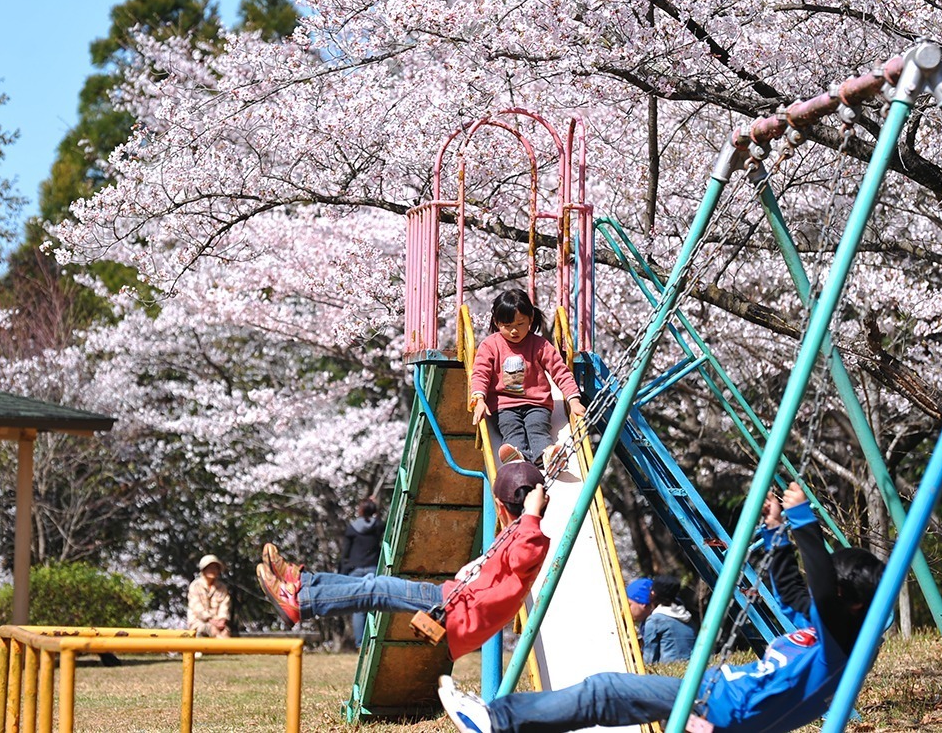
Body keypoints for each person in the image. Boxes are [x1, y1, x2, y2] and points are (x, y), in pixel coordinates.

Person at [438, 481, 885, 733]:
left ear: (854, 603)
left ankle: (496, 721)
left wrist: (805, 520)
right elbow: (794, 592)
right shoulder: (829, 629)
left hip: (723, 706)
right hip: (718, 699)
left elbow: (822, 591)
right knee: (610, 703)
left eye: (833, 593)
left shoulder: (841, 646)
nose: (820, 593)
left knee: (605, 691)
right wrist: (775, 532)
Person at [257, 461, 550, 661]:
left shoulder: (530, 537)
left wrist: (532, 515)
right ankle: (303, 584)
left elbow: (525, 553)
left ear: (499, 505)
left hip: (454, 608)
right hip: (453, 600)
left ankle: (302, 601)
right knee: (371, 585)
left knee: (375, 589)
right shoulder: (518, 531)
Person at [469, 289, 587, 467]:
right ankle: (518, 456)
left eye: (520, 324)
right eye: (507, 326)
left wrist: (574, 400)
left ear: (531, 319)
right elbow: (481, 372)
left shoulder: (540, 345)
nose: (514, 331)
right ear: (496, 323)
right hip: (503, 406)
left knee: (537, 428)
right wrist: (479, 397)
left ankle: (546, 455)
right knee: (512, 429)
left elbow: (560, 371)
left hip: (536, 403)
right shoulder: (490, 345)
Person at [341, 497, 385, 648]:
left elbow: (345, 553)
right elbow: (381, 523)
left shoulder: (352, 528)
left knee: (359, 609)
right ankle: (374, 641)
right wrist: (375, 508)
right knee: (375, 607)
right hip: (373, 568)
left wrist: (342, 571)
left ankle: (360, 644)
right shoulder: (377, 526)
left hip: (356, 570)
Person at [637, 575, 696, 664]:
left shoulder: (655, 621)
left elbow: (649, 660)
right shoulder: (688, 618)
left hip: (668, 675)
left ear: (653, 593)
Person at [188, 554, 232, 639]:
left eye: (215, 568)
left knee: (225, 632)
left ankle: (226, 650)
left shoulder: (222, 587)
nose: (213, 570)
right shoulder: (195, 586)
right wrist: (211, 620)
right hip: (198, 622)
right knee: (210, 629)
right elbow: (197, 608)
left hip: (218, 623)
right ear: (203, 569)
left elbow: (225, 605)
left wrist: (222, 620)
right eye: (210, 568)